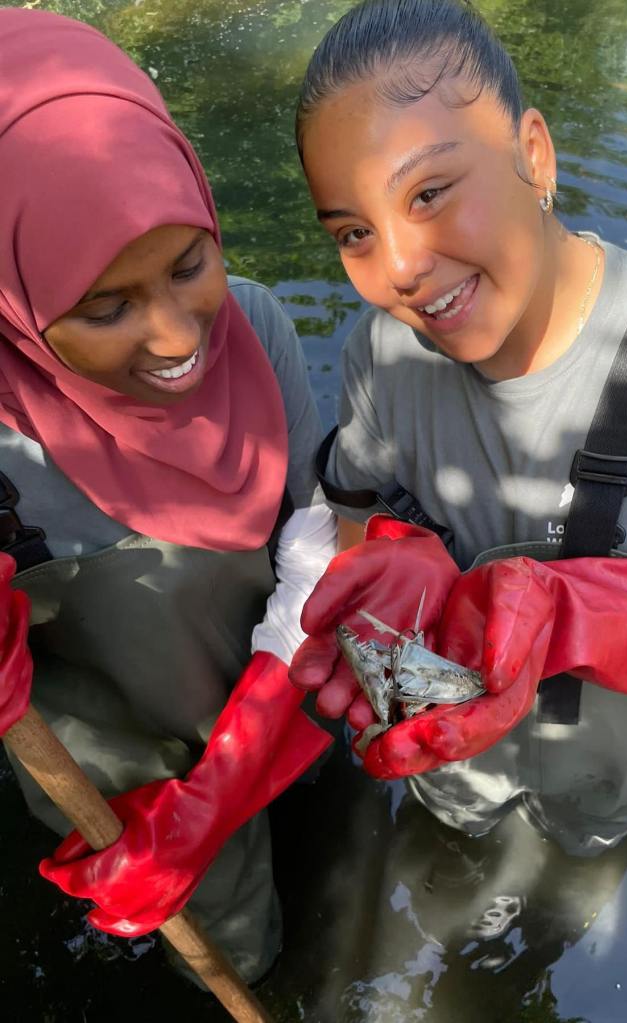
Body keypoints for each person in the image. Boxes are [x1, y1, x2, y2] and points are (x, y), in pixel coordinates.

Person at [288, 0, 627, 856]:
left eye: (429, 192)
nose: (400, 270)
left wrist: (560, 608)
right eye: (353, 232)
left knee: (583, 849)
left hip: (609, 752)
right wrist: (383, 557)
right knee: (456, 841)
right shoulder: (380, 353)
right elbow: (354, 526)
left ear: (533, 153)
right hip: (451, 741)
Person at [0, 8, 336, 986]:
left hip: (269, 703)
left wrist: (233, 777)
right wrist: (188, 816)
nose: (177, 335)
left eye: (190, 263)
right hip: (122, 774)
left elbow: (319, 543)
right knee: (225, 940)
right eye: (106, 308)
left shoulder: (256, 327)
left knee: (317, 828)